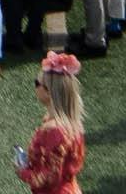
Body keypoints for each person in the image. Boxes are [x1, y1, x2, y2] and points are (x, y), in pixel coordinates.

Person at [18, 51, 87, 194]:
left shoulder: (54, 130)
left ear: (49, 92)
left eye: (37, 83)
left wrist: (23, 172)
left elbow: (50, 177)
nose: (35, 86)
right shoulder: (72, 123)